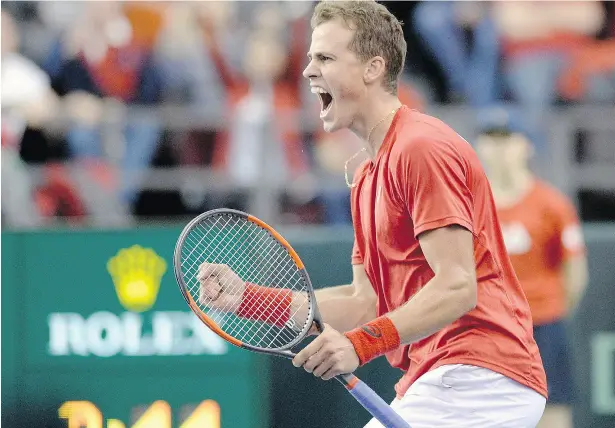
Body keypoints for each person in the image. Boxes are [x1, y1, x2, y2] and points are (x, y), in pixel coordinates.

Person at [199, 1, 547, 426]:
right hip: (439, 377)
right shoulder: (365, 175)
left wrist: (359, 346)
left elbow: (459, 287)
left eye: (325, 58)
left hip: (481, 375)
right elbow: (365, 303)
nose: (308, 71)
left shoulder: (420, 147)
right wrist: (249, 299)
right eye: (310, 58)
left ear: (372, 68)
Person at [474, 109, 589, 428]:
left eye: (507, 139)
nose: (499, 149)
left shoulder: (552, 205)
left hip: (543, 328)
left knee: (552, 415)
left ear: (527, 146)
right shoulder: (468, 207)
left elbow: (575, 272)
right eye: (491, 140)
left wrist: (551, 311)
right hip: (489, 332)